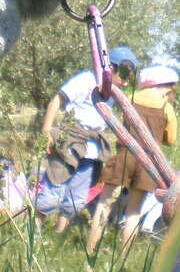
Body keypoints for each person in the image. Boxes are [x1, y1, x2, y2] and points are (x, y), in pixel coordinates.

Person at [32, 46, 137, 232]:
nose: (126, 82)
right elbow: (57, 100)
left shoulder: (113, 92)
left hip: (92, 151)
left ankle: (58, 233)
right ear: (110, 67)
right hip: (70, 142)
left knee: (76, 197)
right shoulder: (86, 80)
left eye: (130, 76)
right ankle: (33, 231)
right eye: (124, 73)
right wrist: (46, 131)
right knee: (53, 188)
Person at [87, 63, 179, 252]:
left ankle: (90, 250)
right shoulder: (166, 107)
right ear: (165, 85)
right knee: (134, 212)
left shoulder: (130, 98)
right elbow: (170, 140)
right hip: (148, 164)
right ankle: (122, 258)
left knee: (103, 205)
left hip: (124, 156)